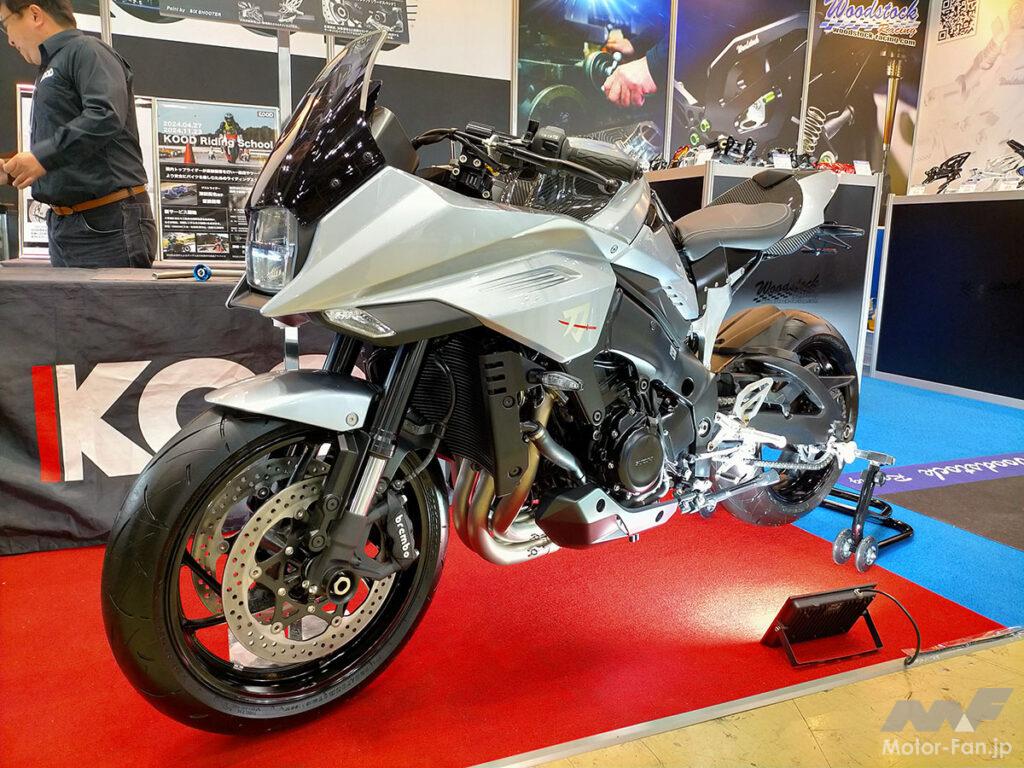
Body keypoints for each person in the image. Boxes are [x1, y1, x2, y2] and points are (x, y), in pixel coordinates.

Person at [1, 0, 156, 267]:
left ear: (35, 14)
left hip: (106, 224)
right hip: (67, 225)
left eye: (5, 25)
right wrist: (12, 171)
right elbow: (74, 157)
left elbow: (105, 115)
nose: (10, 40)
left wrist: (41, 157)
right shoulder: (55, 66)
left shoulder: (87, 51)